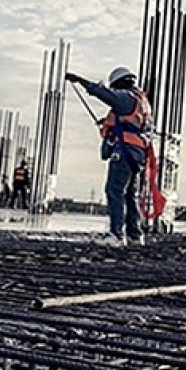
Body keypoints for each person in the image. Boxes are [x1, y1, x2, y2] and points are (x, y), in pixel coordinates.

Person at [65, 67, 152, 245]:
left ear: (121, 83)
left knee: (114, 191)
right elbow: (131, 124)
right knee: (129, 194)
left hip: (125, 151)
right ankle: (135, 235)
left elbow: (103, 93)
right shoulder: (141, 101)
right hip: (138, 153)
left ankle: (116, 235)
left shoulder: (126, 97)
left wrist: (80, 80)